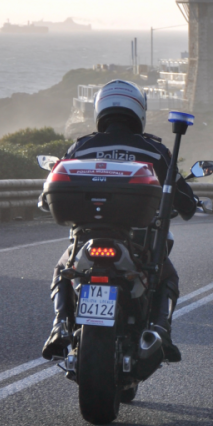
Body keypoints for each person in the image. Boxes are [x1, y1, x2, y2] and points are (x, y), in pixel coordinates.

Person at [41, 80, 197, 363]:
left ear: (100, 109)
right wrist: (189, 205)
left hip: (87, 237)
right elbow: (182, 197)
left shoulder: (81, 146)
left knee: (63, 269)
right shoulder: (154, 151)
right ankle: (161, 330)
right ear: (138, 111)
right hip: (137, 240)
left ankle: (60, 325)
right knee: (167, 276)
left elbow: (50, 189)